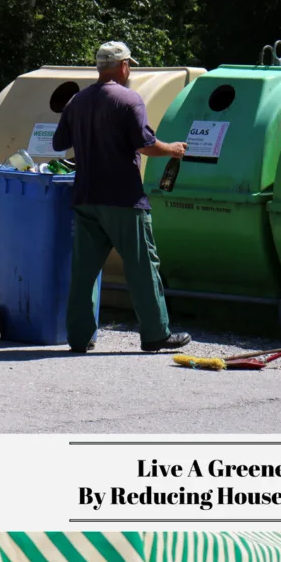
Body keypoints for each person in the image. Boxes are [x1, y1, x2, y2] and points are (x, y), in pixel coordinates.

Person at [52, 40, 191, 354]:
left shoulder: (76, 101)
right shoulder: (129, 99)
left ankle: (78, 337)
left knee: (84, 272)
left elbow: (61, 142)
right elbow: (145, 146)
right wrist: (173, 149)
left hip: (86, 197)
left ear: (100, 68)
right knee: (143, 267)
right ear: (124, 66)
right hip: (124, 200)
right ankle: (156, 334)